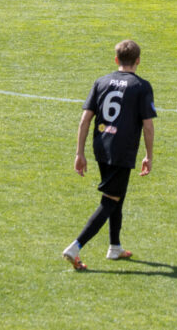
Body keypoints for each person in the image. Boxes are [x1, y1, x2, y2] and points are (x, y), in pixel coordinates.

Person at [62, 39, 156, 271]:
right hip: (122, 149)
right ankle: (75, 247)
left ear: (116, 60)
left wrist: (79, 153)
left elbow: (85, 120)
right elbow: (148, 125)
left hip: (101, 146)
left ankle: (115, 247)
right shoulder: (141, 86)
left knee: (117, 195)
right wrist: (148, 155)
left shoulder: (101, 81)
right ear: (138, 61)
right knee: (110, 200)